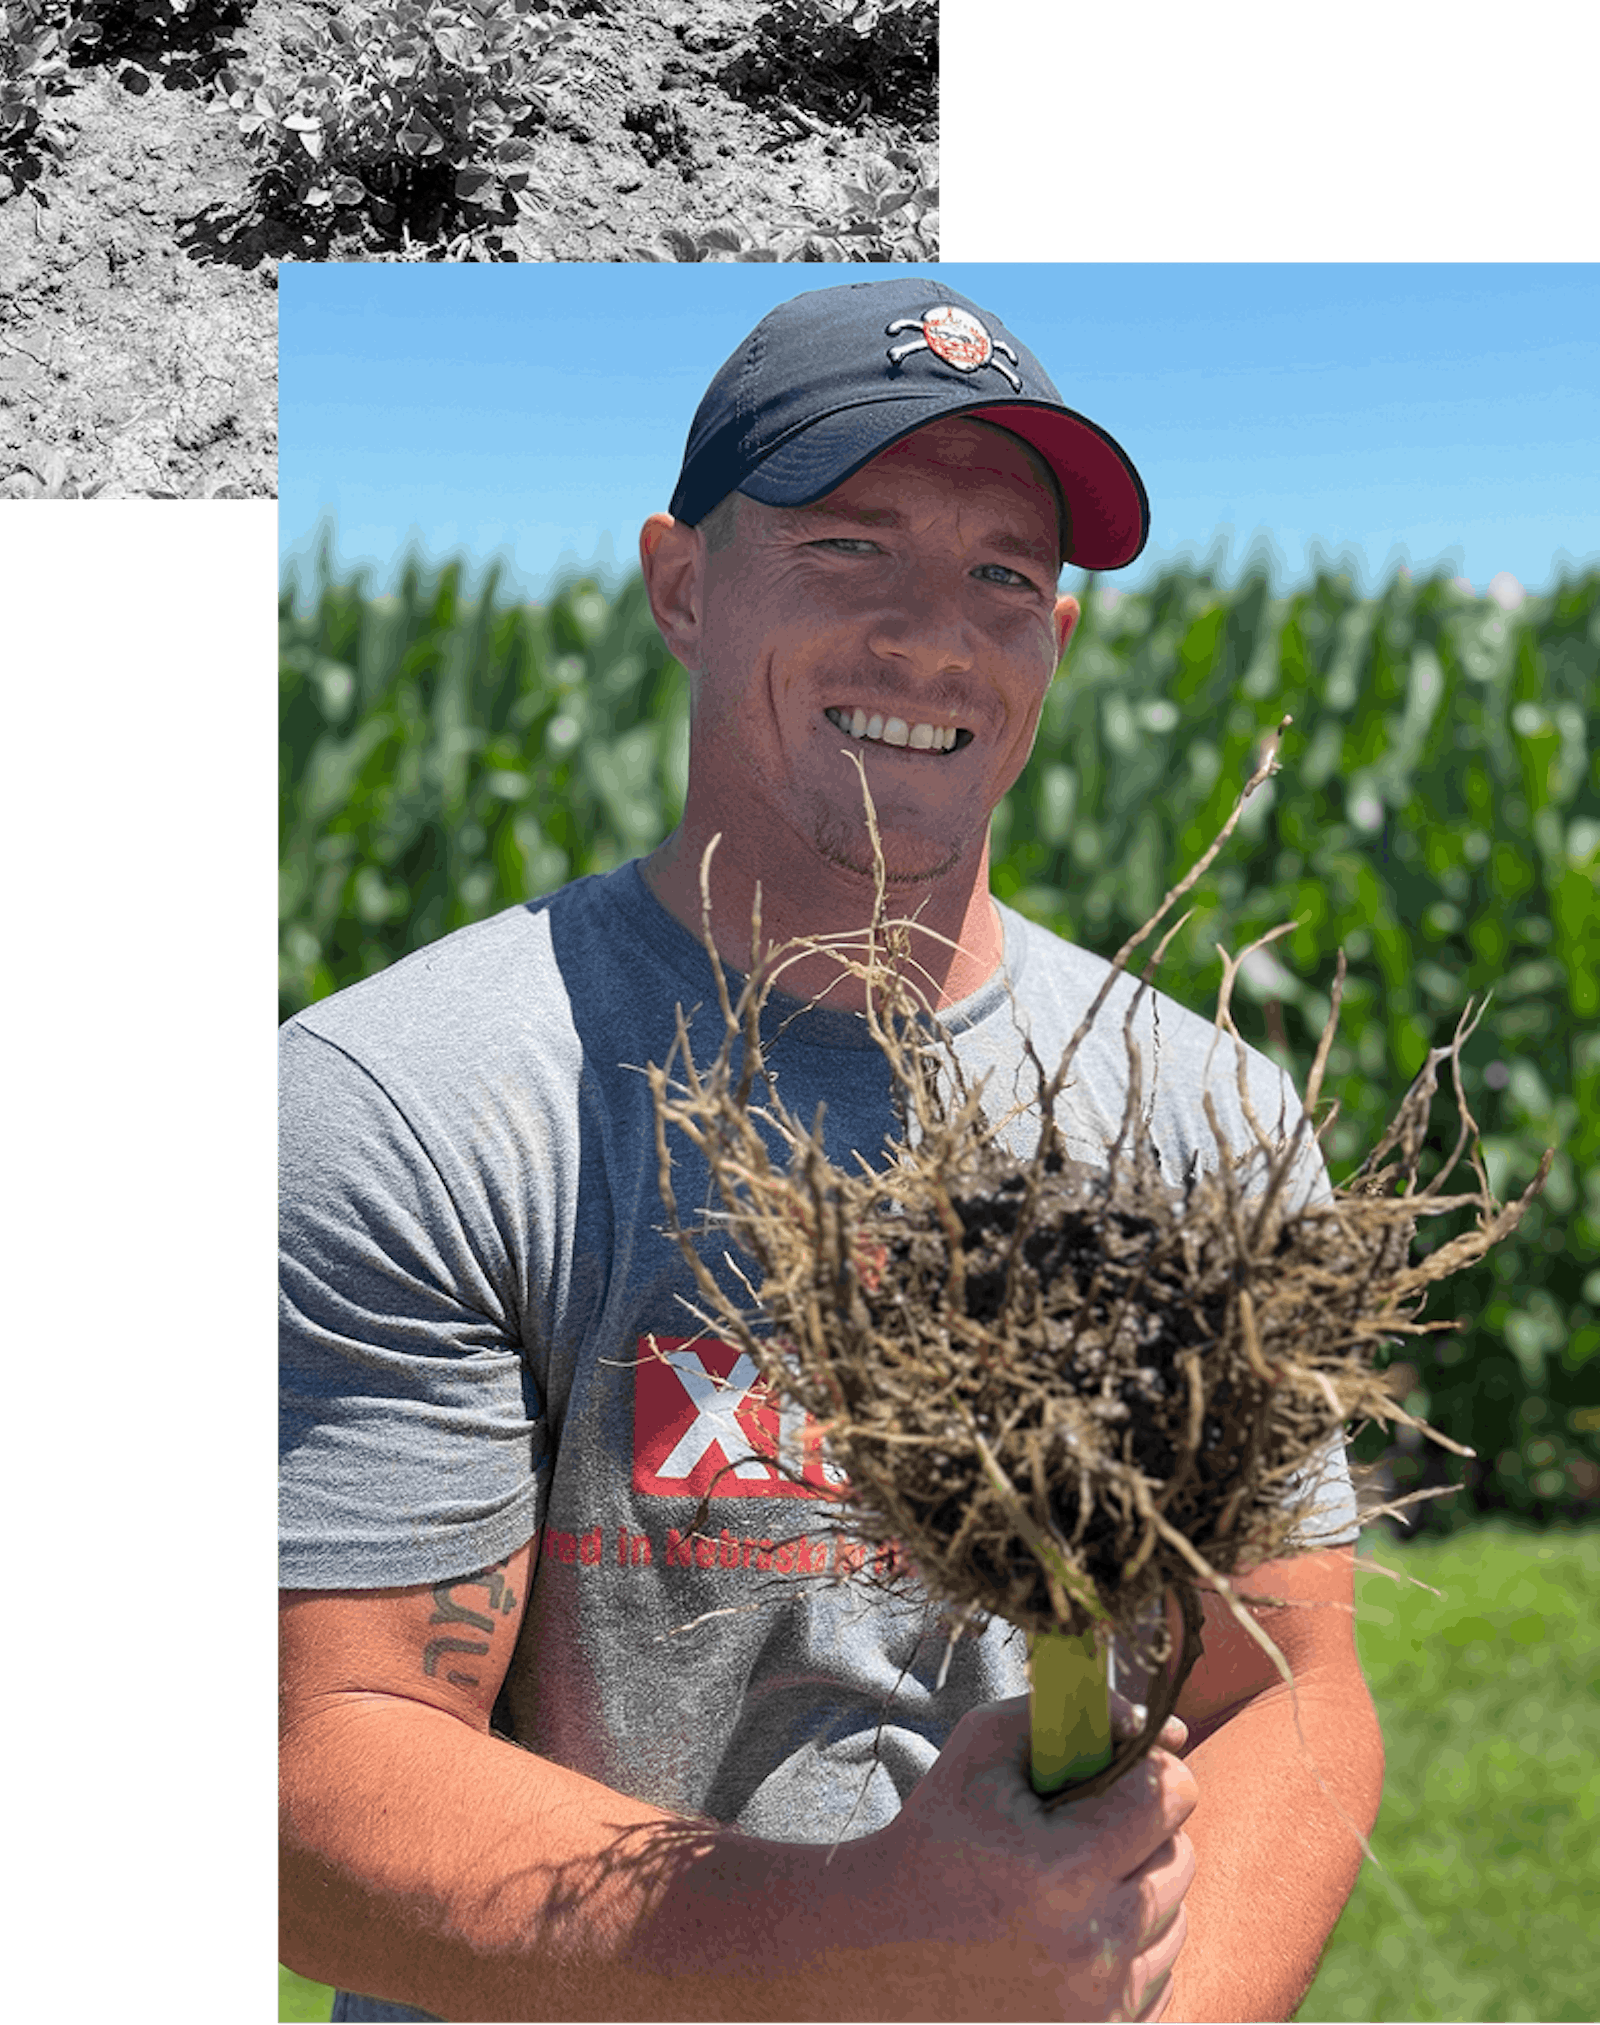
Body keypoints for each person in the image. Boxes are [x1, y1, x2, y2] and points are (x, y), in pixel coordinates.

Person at [279, 278, 1385, 2025]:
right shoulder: (416, 1093)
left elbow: (1284, 1684)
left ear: (1059, 639)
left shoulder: (1205, 1124)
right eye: (847, 545)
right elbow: (317, 1772)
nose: (932, 637)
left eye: (1001, 574)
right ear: (680, 583)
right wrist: (841, 1940)